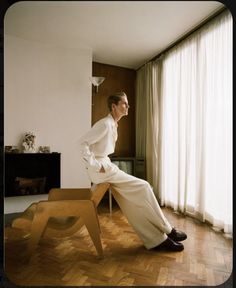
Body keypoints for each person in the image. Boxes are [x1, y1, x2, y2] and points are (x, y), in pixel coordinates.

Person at [79, 91, 187, 251]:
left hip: (105, 166)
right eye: (124, 103)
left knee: (130, 202)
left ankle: (156, 240)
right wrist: (95, 165)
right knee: (143, 187)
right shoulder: (104, 124)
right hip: (102, 168)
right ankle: (168, 230)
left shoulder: (113, 124)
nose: (128, 106)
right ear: (114, 106)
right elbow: (82, 143)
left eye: (127, 103)